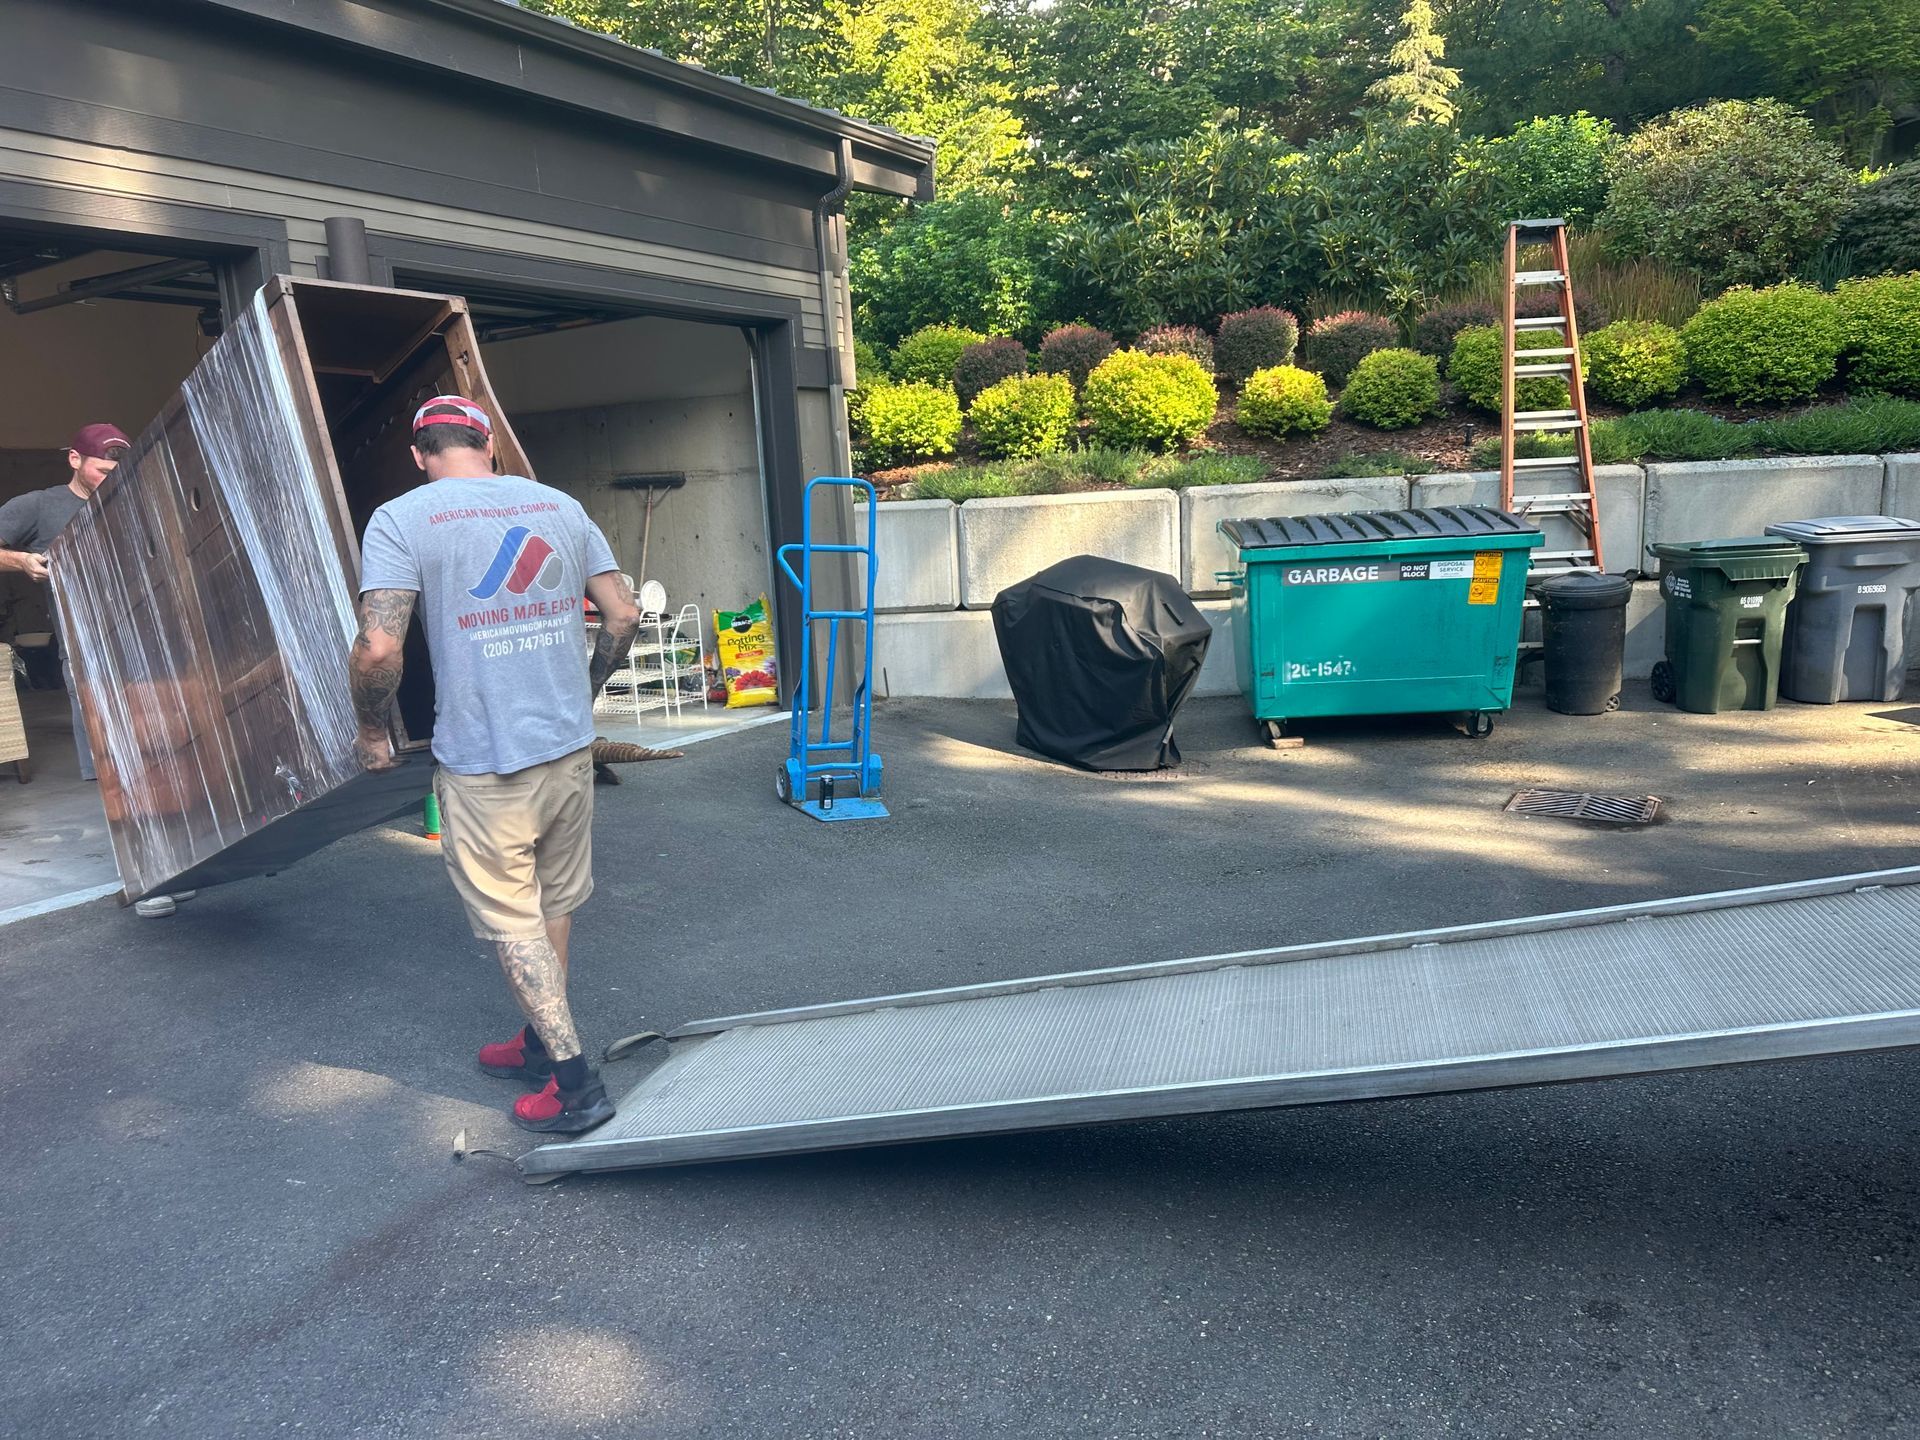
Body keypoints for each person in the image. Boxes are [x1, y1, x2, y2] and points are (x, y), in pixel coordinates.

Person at [349, 396, 640, 1134]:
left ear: (419, 454)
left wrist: (372, 730)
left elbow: (379, 647)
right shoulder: (561, 506)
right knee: (551, 903)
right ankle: (542, 1043)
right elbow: (624, 615)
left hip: (486, 763)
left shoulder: (402, 516)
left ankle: (577, 1088)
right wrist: (586, 688)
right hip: (568, 750)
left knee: (514, 920)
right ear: (488, 444)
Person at [0, 424, 195, 919]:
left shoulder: (132, 504)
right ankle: (146, 877)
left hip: (151, 651)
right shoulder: (40, 507)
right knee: (117, 768)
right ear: (74, 460)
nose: (110, 479)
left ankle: (174, 863)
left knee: (163, 761)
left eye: (117, 471)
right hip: (88, 656)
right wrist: (20, 559)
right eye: (101, 469)